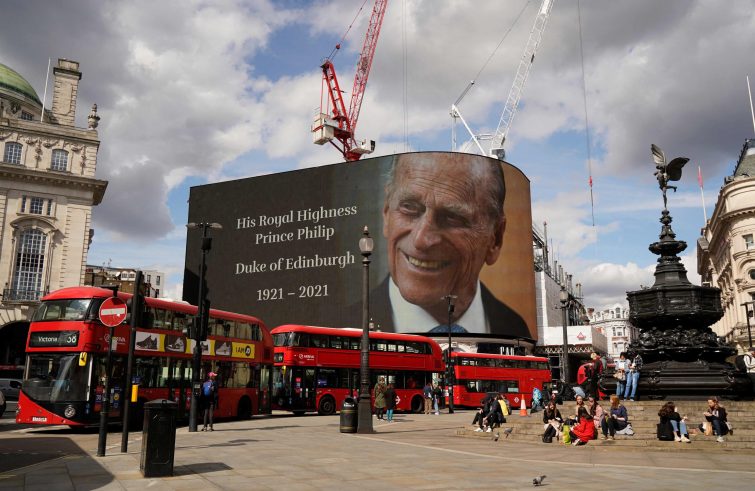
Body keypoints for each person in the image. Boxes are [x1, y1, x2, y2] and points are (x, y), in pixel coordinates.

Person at [366, 152, 530, 336]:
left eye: (452, 217)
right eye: (409, 207)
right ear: (387, 212)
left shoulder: (518, 330)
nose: (421, 240)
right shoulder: (347, 324)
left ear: (495, 238)